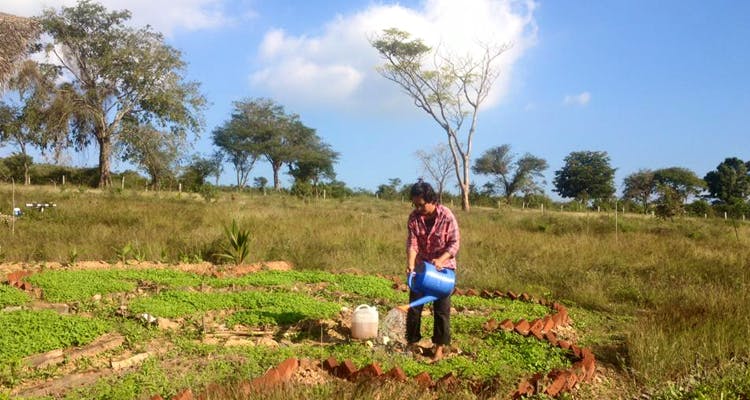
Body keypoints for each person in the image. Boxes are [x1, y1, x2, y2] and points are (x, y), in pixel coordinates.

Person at [405, 180, 460, 361]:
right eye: (415, 204)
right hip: (422, 270)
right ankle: (411, 344)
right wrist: (411, 264)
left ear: (431, 200)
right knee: (414, 309)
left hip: (442, 272)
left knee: (441, 311)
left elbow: (454, 244)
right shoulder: (414, 218)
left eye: (421, 204)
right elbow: (412, 243)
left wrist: (441, 260)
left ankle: (438, 349)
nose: (418, 208)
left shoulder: (446, 216)